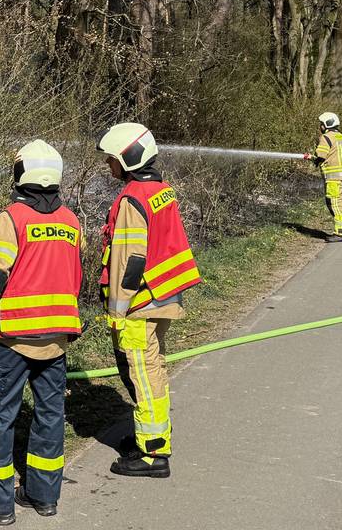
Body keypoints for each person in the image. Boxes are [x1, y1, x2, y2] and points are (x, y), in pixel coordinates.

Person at [0, 140, 83, 526]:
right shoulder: (71, 221)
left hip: (12, 340)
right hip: (57, 339)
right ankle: (43, 496)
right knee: (50, 415)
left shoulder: (11, 218)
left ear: (20, 174)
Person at [97, 123, 202, 478]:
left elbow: (130, 260)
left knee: (142, 374)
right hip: (165, 295)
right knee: (152, 369)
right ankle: (151, 438)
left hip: (140, 303)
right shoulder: (160, 190)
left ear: (128, 158)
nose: (108, 166)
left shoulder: (131, 199)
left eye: (112, 159)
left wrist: (117, 311)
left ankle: (153, 453)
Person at [306, 112, 342, 241]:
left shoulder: (326, 137)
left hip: (334, 176)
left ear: (326, 124)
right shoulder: (341, 137)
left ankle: (340, 233)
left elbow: (321, 155)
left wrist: (314, 159)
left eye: (321, 124)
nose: (320, 127)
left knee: (335, 203)